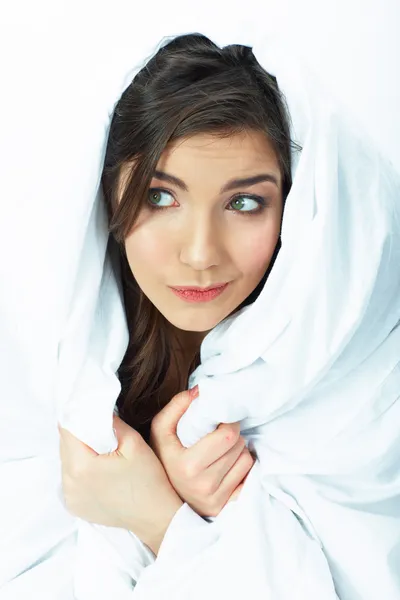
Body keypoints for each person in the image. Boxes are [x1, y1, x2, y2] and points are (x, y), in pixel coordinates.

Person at [59, 31, 400, 599]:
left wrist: (157, 515)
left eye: (244, 203)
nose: (199, 254)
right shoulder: (63, 375)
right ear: (109, 199)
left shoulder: (371, 378)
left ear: (298, 211)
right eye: (160, 197)